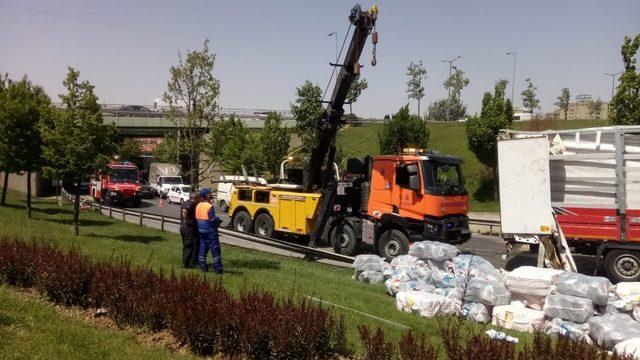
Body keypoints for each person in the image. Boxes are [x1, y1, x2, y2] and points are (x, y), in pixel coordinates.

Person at [195, 188, 224, 274]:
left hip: (201, 230)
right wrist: (219, 220)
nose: (211, 194)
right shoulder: (209, 206)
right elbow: (212, 219)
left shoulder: (198, 205)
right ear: (207, 196)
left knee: (203, 248)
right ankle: (218, 269)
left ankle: (202, 267)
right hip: (210, 230)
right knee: (215, 249)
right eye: (210, 193)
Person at [179, 191, 200, 268]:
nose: (199, 200)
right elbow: (185, 211)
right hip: (188, 228)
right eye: (198, 198)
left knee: (186, 245)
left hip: (183, 227)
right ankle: (186, 265)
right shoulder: (191, 204)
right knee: (188, 246)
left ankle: (187, 262)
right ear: (195, 198)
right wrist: (187, 220)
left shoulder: (184, 203)